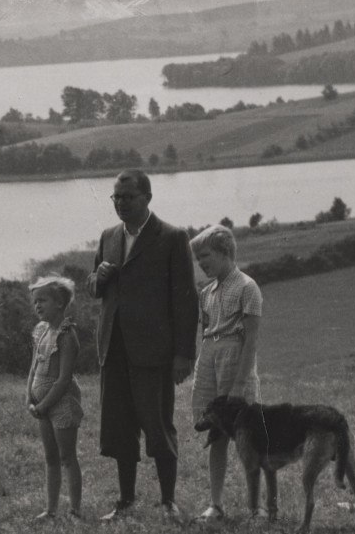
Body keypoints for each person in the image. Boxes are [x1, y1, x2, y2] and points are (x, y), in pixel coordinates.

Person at [87, 169, 199, 523]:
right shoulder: (108, 236)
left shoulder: (172, 237)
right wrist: (98, 278)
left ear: (147, 198)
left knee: (158, 425)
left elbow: (186, 300)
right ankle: (125, 501)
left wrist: (184, 354)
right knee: (119, 427)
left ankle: (168, 501)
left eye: (128, 197)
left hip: (154, 352)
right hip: (114, 349)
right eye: (116, 197)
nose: (120, 203)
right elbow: (93, 287)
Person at [189, 224, 263, 523]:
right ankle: (216, 505)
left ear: (225, 252)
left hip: (235, 356)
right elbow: (205, 330)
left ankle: (256, 508)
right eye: (198, 258)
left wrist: (239, 384)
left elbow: (251, 340)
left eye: (205, 256)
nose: (201, 263)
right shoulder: (206, 292)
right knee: (214, 433)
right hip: (209, 356)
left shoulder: (247, 287)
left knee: (248, 438)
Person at [25, 275, 83, 521]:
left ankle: (74, 510)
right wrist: (29, 397)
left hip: (60, 403)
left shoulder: (67, 335)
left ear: (59, 303)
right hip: (41, 406)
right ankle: (50, 510)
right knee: (50, 457)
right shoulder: (40, 332)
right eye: (35, 301)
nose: (37, 306)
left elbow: (63, 379)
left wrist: (45, 404)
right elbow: (33, 368)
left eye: (43, 300)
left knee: (66, 456)